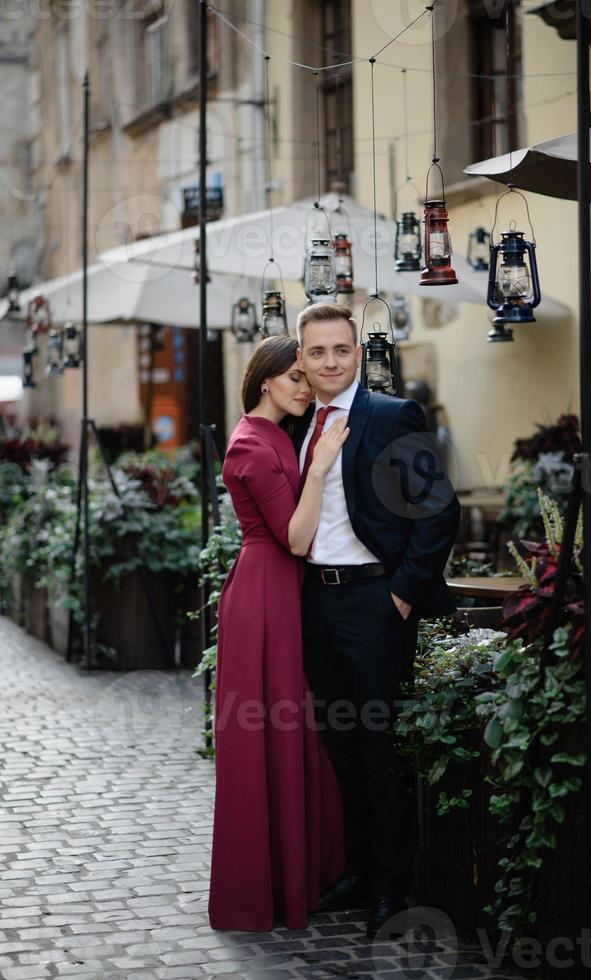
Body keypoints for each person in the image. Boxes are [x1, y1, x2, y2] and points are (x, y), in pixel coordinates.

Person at [288, 303, 461, 940]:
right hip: (315, 603)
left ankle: (393, 886)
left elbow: (439, 512)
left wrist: (402, 597)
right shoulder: (297, 423)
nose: (331, 362)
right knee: (340, 744)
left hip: (374, 602)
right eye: (317, 352)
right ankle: (358, 871)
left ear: (358, 353)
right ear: (300, 359)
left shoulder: (391, 416)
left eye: (341, 350)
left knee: (380, 747)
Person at [208, 335, 348, 932]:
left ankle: (300, 872)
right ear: (265, 380)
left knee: (290, 728)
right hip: (266, 591)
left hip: (279, 589)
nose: (305, 385)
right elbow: (292, 536)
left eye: (306, 376)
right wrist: (318, 468)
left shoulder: (271, 435)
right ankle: (262, 887)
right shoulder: (250, 445)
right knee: (268, 731)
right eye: (295, 376)